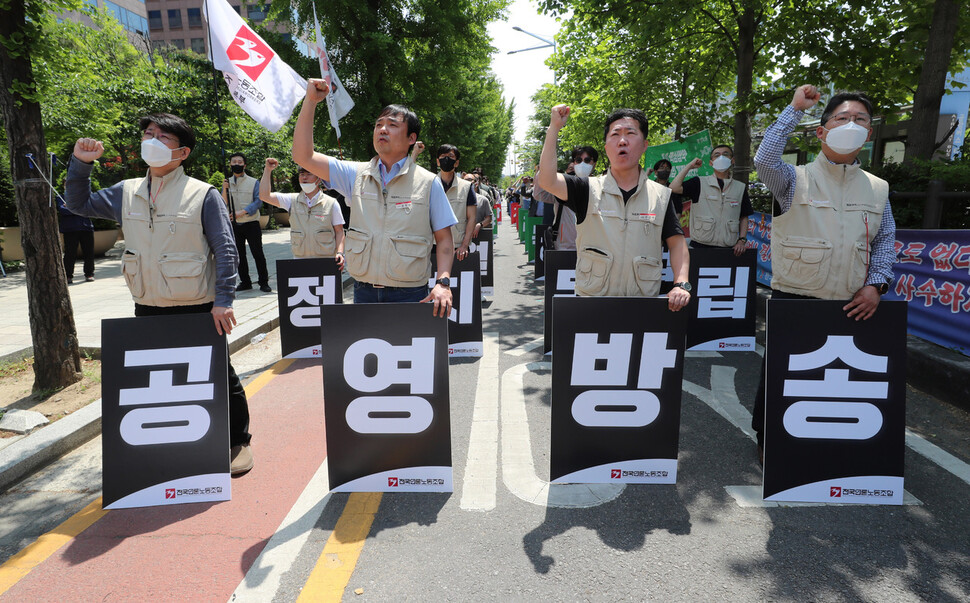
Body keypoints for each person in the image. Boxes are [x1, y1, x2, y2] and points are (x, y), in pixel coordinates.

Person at [66, 113, 255, 475]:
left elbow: (225, 249)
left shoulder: (203, 194)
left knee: (217, 373)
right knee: (159, 374)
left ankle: (238, 441)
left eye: (163, 137)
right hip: (147, 304)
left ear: (182, 152)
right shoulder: (126, 191)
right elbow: (78, 204)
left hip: (197, 305)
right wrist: (80, 164)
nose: (151, 140)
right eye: (148, 134)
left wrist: (224, 300)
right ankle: (172, 442)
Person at [750, 84, 897, 463]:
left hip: (852, 301)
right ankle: (772, 443)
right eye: (842, 118)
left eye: (860, 119)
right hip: (797, 298)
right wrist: (795, 109)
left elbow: (884, 241)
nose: (852, 124)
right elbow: (764, 159)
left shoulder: (878, 188)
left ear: (869, 133)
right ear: (822, 131)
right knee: (785, 376)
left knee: (836, 380)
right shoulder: (793, 178)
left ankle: (828, 444)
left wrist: (876, 285)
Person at [292, 79, 455, 315]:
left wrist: (443, 282)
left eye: (392, 124)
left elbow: (445, 240)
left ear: (411, 138)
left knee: (405, 352)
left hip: (410, 294)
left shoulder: (428, 183)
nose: (383, 129)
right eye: (378, 124)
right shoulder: (354, 174)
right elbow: (302, 155)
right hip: (364, 291)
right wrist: (310, 102)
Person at [537, 105, 691, 310]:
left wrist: (681, 283)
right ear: (606, 145)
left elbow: (677, 244)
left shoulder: (661, 196)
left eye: (630, 133)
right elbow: (547, 181)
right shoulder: (586, 188)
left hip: (643, 304)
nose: (622, 140)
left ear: (644, 145)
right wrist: (554, 128)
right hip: (592, 303)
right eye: (615, 134)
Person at [259, 159, 345, 265]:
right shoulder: (292, 200)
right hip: (299, 261)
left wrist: (340, 253)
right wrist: (268, 170)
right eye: (302, 174)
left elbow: (339, 231)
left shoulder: (331, 203)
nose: (304, 177)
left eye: (309, 174)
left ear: (318, 178)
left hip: (326, 260)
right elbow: (264, 196)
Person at [670, 145, 752, 256]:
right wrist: (689, 166)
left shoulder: (740, 188)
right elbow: (673, 188)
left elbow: (744, 216)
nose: (721, 157)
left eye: (725, 154)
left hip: (729, 249)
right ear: (711, 163)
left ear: (732, 160)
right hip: (699, 247)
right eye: (717, 155)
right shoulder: (699, 183)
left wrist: (741, 240)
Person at [222, 153, 271, 293]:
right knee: (238, 254)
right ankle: (245, 282)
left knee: (257, 253)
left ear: (245, 165)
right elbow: (223, 202)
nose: (236, 164)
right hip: (234, 224)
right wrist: (224, 188)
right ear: (230, 164)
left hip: (251, 222)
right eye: (234, 162)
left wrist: (242, 212)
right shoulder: (227, 182)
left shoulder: (254, 182)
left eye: (240, 162)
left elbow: (258, 201)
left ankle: (264, 282)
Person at [436, 144, 478, 261]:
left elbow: (472, 218)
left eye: (450, 156)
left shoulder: (466, 186)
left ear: (456, 163)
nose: (446, 159)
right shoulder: (429, 184)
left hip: (459, 247)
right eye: (443, 156)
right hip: (434, 245)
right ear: (438, 161)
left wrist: (464, 245)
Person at [57, 194, 95, 284]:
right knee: (70, 253)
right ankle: (68, 276)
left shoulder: (84, 196)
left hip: (86, 228)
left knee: (89, 252)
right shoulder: (60, 197)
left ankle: (89, 274)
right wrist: (79, 209)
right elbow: (62, 210)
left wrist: (70, 207)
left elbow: (89, 209)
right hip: (70, 229)